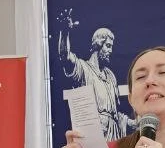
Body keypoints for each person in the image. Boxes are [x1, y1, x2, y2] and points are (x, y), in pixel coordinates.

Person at [55, 8, 132, 140]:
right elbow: (65, 57)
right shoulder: (84, 69)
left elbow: (114, 114)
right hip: (94, 136)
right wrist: (65, 31)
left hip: (114, 137)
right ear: (98, 44)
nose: (111, 51)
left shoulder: (110, 76)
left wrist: (131, 122)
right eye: (108, 46)